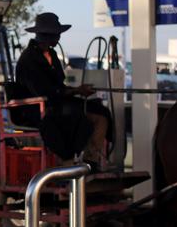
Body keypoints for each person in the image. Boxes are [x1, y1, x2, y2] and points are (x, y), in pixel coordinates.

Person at [12, 12, 113, 165]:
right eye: (56, 33)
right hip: (36, 108)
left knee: (101, 111)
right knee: (75, 118)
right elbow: (43, 91)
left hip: (56, 102)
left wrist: (76, 91)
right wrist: (76, 91)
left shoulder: (51, 54)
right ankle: (69, 160)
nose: (59, 37)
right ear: (46, 35)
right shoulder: (29, 59)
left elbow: (58, 86)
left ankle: (92, 159)